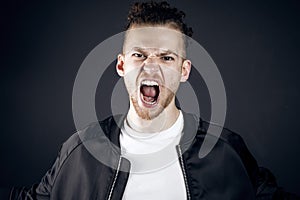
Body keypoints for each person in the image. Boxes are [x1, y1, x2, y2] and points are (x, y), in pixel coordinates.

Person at [4, 1, 299, 200]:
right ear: (122, 66)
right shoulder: (79, 151)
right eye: (139, 55)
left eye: (166, 57)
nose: (151, 67)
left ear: (183, 71)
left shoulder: (226, 150)